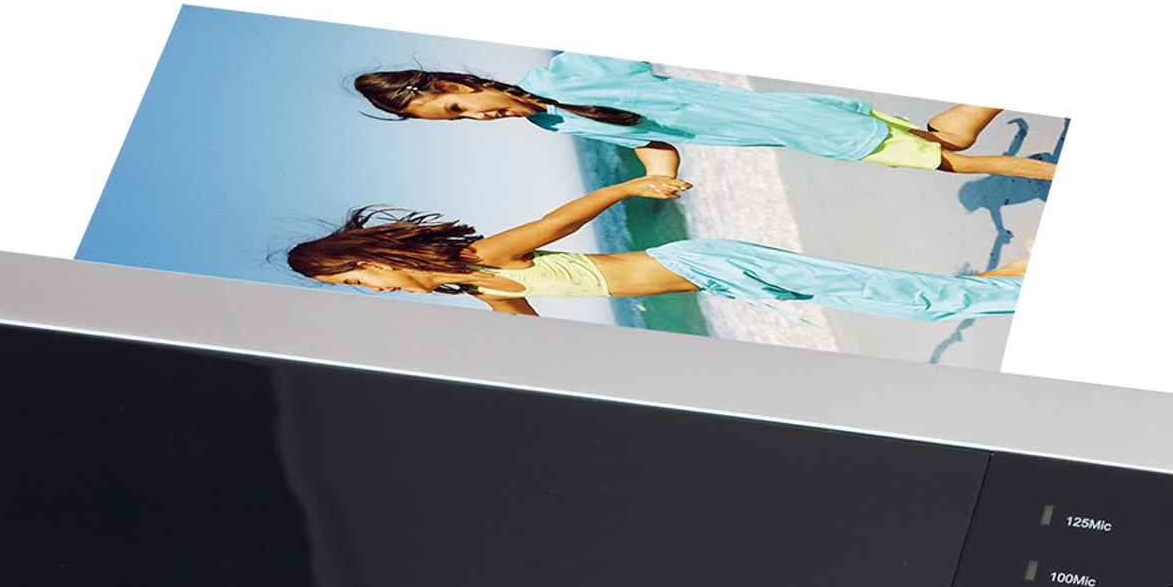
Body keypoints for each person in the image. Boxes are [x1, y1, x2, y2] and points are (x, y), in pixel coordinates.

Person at [287, 178, 1024, 322]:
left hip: (705, 263)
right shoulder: (481, 289)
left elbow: (556, 222)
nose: (370, 293)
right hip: (719, 282)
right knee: (885, 293)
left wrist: (633, 186)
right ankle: (1010, 279)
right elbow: (531, 341)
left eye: (356, 282)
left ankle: (1014, 286)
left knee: (910, 304)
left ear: (373, 259)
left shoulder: (482, 260)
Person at [354, 57, 1054, 181]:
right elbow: (653, 139)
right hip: (794, 128)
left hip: (807, 124)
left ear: (453, 82)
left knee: (951, 162)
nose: (473, 118)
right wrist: (656, 178)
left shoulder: (564, 74)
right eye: (455, 124)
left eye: (457, 107)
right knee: (946, 139)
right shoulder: (553, 123)